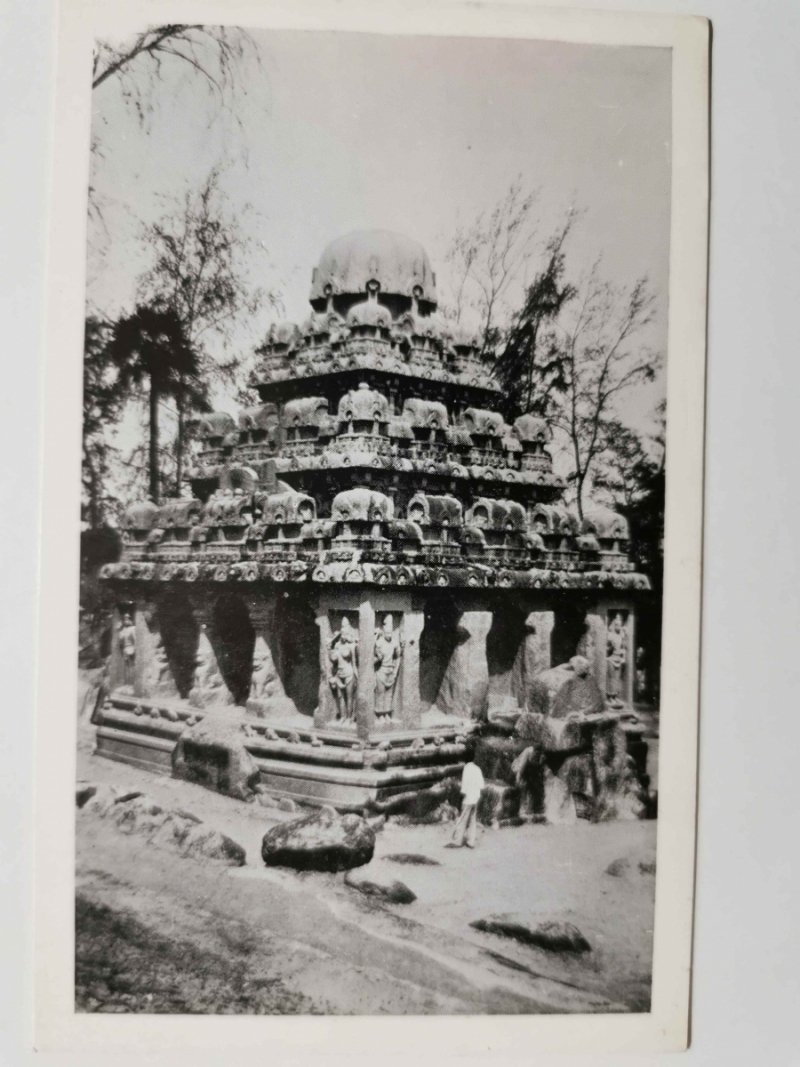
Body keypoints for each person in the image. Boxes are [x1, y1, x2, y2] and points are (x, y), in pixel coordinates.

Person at [451, 758, 485, 848]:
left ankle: (458, 841)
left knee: (463, 819)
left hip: (468, 798)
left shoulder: (466, 769)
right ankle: (471, 841)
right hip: (476, 797)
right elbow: (481, 785)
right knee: (472, 819)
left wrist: (462, 797)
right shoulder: (477, 768)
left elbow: (464, 787)